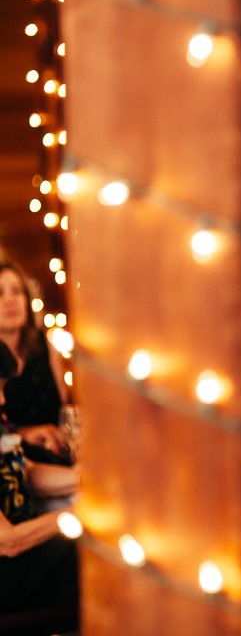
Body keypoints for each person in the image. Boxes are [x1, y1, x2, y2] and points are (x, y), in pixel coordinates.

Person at [0, 339, 80, 613]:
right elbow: (7, 541)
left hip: (22, 545)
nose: (2, 398)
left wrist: (87, 480)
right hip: (7, 572)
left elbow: (27, 471)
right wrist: (76, 515)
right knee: (96, 553)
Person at [0, 260, 68, 459]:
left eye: (17, 291)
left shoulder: (44, 345)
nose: (10, 300)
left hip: (55, 453)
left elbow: (65, 410)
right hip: (15, 464)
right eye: (0, 293)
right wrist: (23, 434)